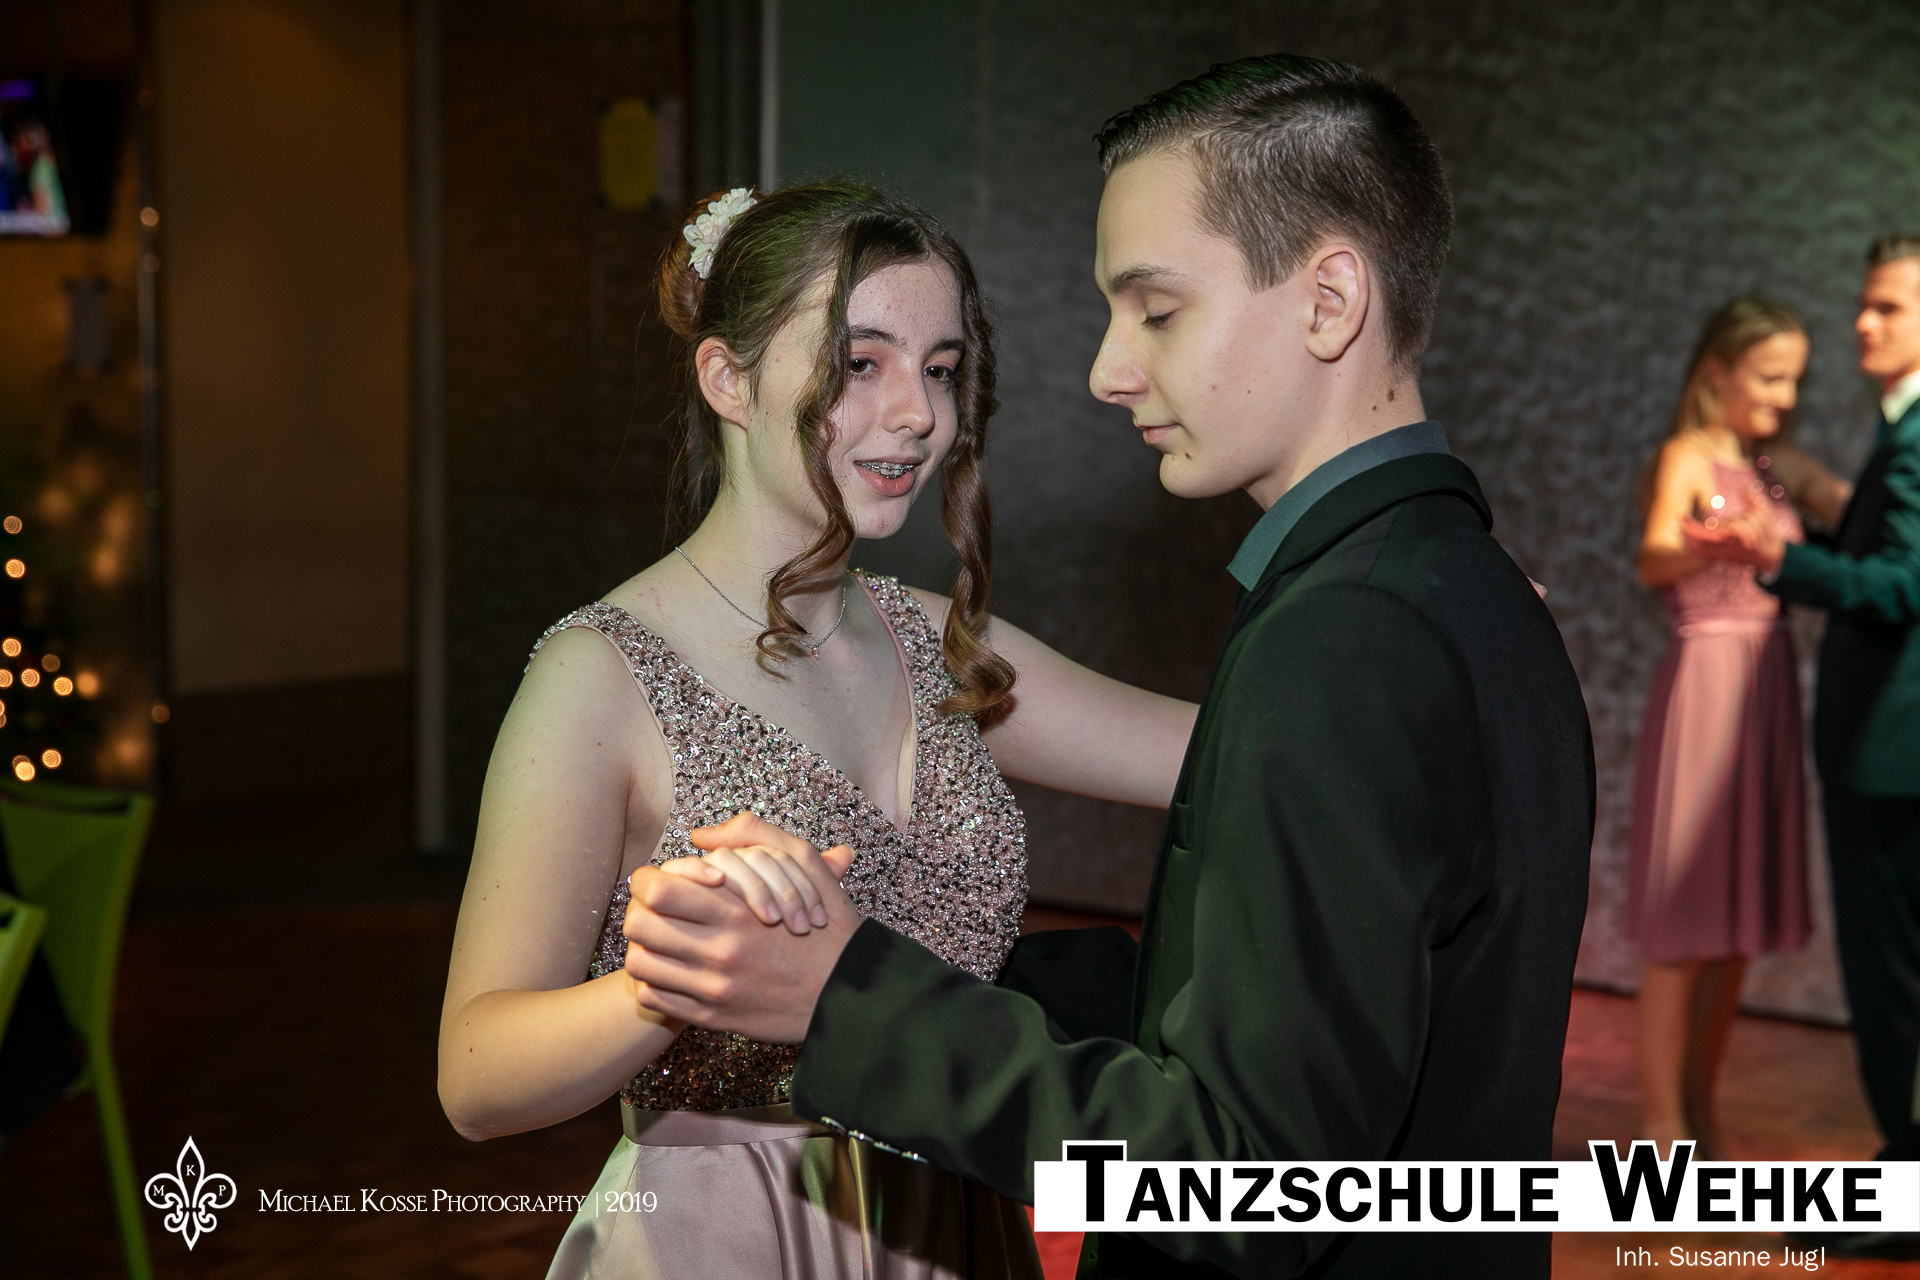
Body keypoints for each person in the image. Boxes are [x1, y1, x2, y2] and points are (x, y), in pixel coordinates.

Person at [622, 55, 1596, 1280]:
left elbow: (1247, 1188)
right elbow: (1310, 994)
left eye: (1157, 310)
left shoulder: (1345, 635)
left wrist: (848, 999)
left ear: (1330, 299)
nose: (1106, 370)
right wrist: (926, 946)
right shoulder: (1469, 587)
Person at [435, 181, 1199, 1280]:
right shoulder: (601, 677)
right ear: (727, 379)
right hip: (726, 1235)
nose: (919, 413)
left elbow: (1220, 753)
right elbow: (475, 1077)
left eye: (941, 369)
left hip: (954, 1221)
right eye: (861, 364)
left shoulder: (942, 646)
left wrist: (1382, 635)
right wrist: (676, 976)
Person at [1687, 238, 1920, 1250]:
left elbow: (1903, 586)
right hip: (1886, 749)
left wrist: (1778, 560)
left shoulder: (1918, 437)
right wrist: (1797, 550)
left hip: (1894, 752)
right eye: (1865, 304)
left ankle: (1909, 1186)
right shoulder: (1900, 428)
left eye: (1889, 307)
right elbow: (1880, 561)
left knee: (1895, 980)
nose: (1863, 323)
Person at [1629, 297, 1850, 1159]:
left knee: (1733, 935)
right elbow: (1653, 556)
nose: (1784, 396)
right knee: (1685, 924)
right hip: (1709, 686)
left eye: (1794, 380)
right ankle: (1659, 1134)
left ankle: (1699, 1116)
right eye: (1769, 377)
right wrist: (1714, 547)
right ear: (1717, 372)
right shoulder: (1687, 456)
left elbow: (1859, 508)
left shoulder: (1777, 465)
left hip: (1768, 687)